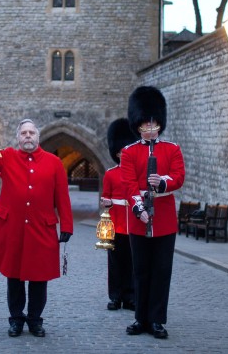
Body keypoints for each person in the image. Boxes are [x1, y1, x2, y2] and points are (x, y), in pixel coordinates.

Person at [0, 111, 73, 338]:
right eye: (23, 133)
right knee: (13, 277)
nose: (28, 136)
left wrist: (67, 226)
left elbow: (62, 197)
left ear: (38, 137)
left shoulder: (54, 163)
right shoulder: (6, 156)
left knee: (39, 279)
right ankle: (16, 319)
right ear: (18, 137)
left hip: (41, 229)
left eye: (31, 133)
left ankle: (35, 320)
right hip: (13, 228)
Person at [120, 86, 185, 339]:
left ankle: (157, 320)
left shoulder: (172, 149)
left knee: (161, 271)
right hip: (139, 221)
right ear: (137, 126)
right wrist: (139, 208)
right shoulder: (129, 152)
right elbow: (127, 184)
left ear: (159, 123)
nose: (149, 128)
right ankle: (140, 318)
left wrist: (164, 182)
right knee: (141, 271)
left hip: (165, 220)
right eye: (145, 124)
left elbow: (179, 176)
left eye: (153, 123)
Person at [99, 118, 136, 311]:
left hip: (133, 224)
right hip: (115, 224)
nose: (123, 154)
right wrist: (107, 202)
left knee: (132, 263)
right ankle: (115, 297)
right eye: (120, 152)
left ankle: (130, 297)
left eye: (126, 151)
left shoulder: (137, 174)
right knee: (115, 264)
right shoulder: (111, 174)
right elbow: (105, 197)